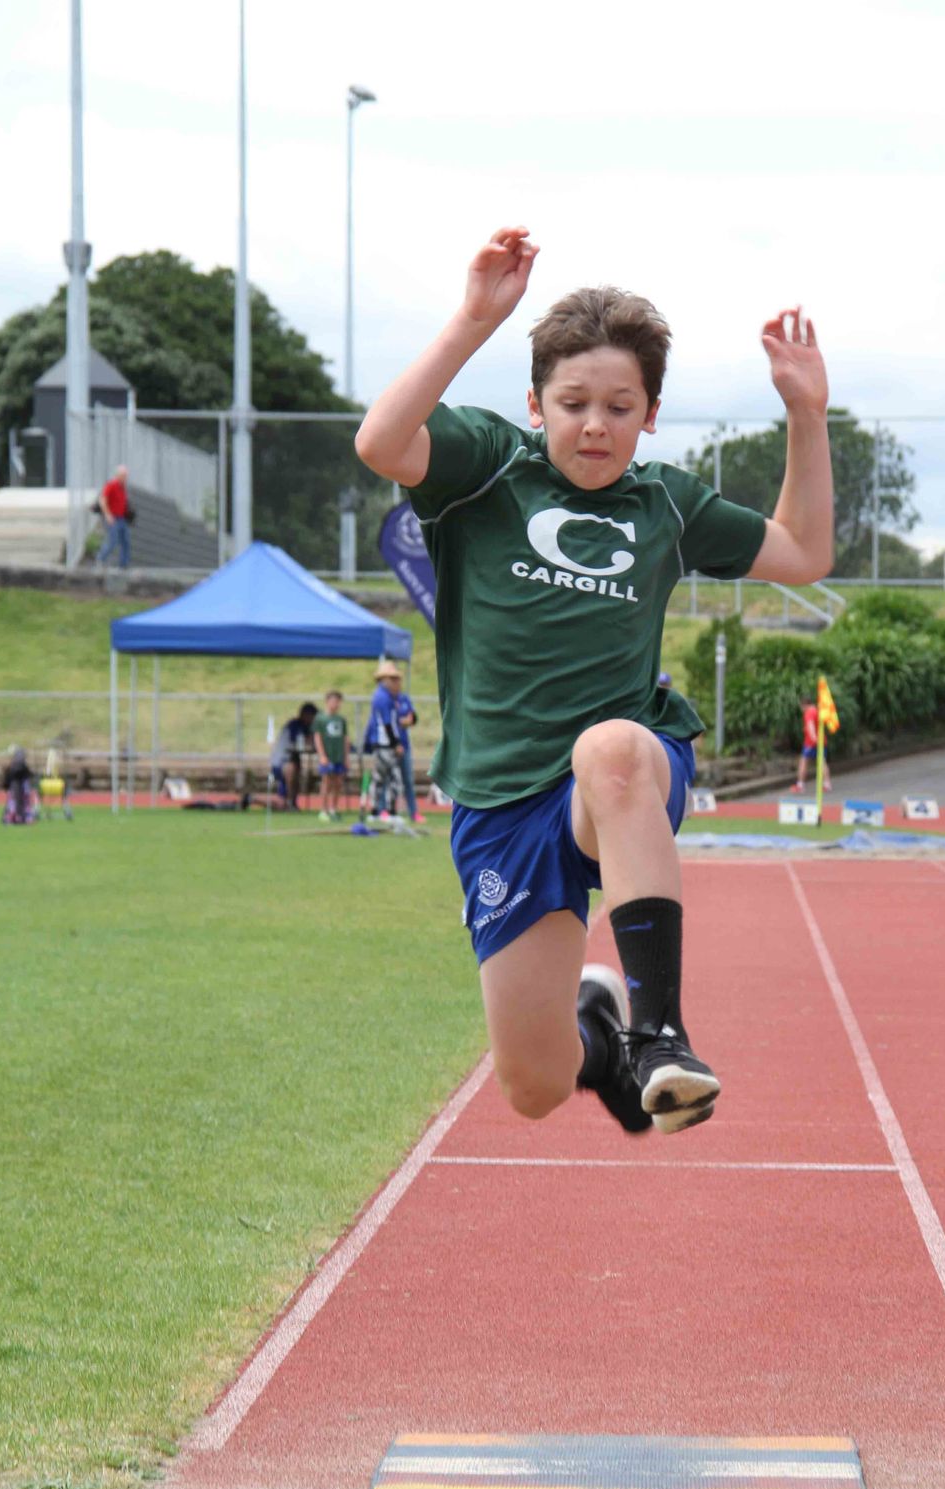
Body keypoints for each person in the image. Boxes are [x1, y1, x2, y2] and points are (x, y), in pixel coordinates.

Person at [355, 225, 833, 1135]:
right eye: (572, 402)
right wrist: (473, 320)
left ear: (649, 415)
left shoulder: (666, 505)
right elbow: (381, 441)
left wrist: (806, 415)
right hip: (502, 801)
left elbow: (804, 552)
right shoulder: (487, 466)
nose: (594, 424)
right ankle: (602, 1040)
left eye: (620, 406)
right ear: (536, 405)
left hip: (618, 782)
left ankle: (659, 1033)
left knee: (610, 749)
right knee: (534, 1086)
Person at [364, 661, 421, 824]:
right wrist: (395, 744)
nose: (396, 682)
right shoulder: (382, 697)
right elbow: (387, 724)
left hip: (388, 744)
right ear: (384, 679)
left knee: (387, 778)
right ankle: (385, 811)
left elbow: (409, 718)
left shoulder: (393, 697)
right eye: (392, 679)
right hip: (385, 745)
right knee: (390, 778)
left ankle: (382, 811)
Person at [270, 703, 317, 810]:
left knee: (295, 769)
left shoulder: (306, 727)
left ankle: (291, 802)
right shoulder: (294, 725)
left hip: (290, 760)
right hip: (280, 763)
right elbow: (301, 743)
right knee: (292, 769)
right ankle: (251, 798)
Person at [314, 690, 352, 820]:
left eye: (338, 701)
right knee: (327, 782)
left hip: (339, 756)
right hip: (327, 756)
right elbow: (317, 737)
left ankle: (333, 808)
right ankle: (323, 810)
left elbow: (346, 738)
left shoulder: (341, 720)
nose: (335, 704)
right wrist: (322, 755)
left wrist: (346, 757)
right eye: (333, 701)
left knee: (338, 783)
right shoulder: (321, 719)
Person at [95, 465, 133, 569]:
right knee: (112, 541)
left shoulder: (123, 488)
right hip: (112, 518)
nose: (125, 478)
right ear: (118, 475)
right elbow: (102, 500)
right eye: (124, 476)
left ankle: (123, 565)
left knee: (126, 542)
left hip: (122, 518)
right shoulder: (111, 485)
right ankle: (100, 558)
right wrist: (107, 515)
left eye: (126, 476)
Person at [792, 693, 831, 794]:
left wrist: (813, 738)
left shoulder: (808, 713)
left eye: (801, 706)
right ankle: (827, 784)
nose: (801, 709)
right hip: (821, 740)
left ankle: (800, 785)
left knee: (803, 762)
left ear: (804, 705)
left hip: (811, 742)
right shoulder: (817, 710)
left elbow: (810, 726)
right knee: (822, 762)